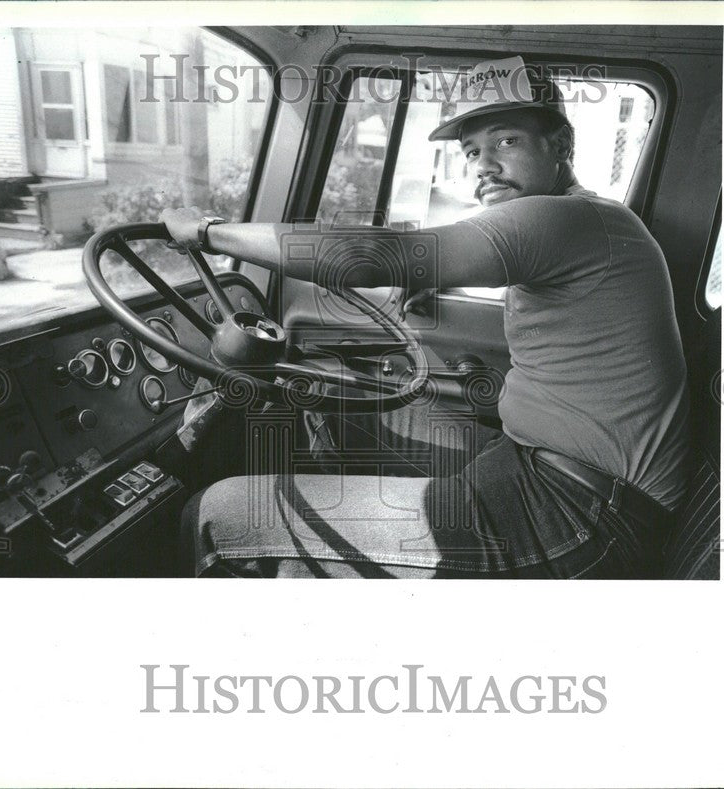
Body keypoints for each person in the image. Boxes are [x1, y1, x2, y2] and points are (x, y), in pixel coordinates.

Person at [161, 56, 690, 578]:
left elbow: (375, 256)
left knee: (214, 514)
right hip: (550, 478)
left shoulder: (569, 219)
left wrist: (209, 232)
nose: (483, 165)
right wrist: (432, 272)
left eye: (506, 141)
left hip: (577, 516)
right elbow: (470, 251)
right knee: (326, 437)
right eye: (472, 151)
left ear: (560, 146)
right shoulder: (585, 222)